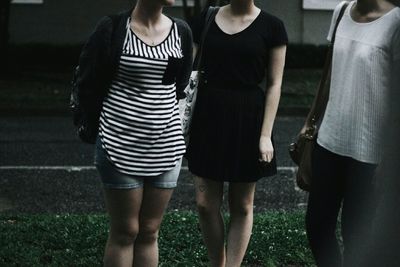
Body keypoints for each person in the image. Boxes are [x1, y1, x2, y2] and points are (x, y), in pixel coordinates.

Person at [76, 0, 193, 266]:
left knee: (150, 231)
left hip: (166, 145)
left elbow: (180, 85)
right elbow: (88, 81)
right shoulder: (113, 28)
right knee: (125, 231)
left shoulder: (181, 31)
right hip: (118, 142)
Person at [186, 0, 287, 266]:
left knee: (242, 205)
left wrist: (265, 135)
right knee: (205, 204)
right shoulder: (205, 19)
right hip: (208, 117)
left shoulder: (273, 27)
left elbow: (275, 84)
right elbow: (186, 73)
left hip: (249, 119)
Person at [302, 1, 400, 266]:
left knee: (355, 235)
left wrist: (390, 157)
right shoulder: (342, 10)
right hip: (329, 141)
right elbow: (329, 73)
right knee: (317, 226)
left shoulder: (395, 22)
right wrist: (311, 120)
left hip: (370, 152)